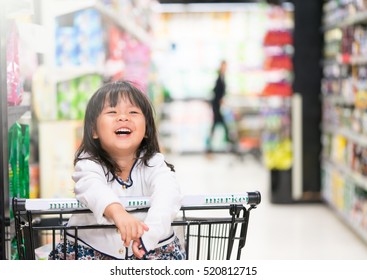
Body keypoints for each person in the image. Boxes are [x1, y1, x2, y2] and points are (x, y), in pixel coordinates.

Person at [49, 80, 186, 260]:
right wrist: (118, 213)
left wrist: (149, 235)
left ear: (146, 130)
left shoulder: (154, 163)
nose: (123, 117)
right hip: (91, 249)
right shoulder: (88, 164)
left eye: (133, 112)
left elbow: (168, 194)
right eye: (112, 112)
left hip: (152, 248)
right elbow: (91, 187)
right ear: (94, 131)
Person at [207, 60, 232, 153]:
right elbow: (216, 91)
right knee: (219, 123)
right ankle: (228, 141)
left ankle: (211, 143)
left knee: (217, 124)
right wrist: (220, 100)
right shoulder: (218, 78)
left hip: (218, 104)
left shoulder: (222, 77)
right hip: (216, 105)